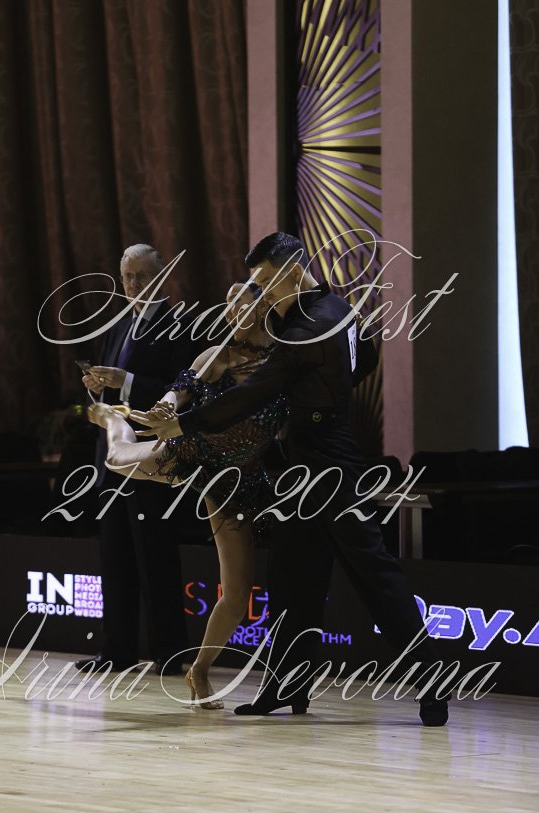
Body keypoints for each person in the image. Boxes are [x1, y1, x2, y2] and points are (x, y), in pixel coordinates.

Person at [132, 233, 450, 726]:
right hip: (299, 460)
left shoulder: (311, 324)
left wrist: (184, 424)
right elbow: (365, 358)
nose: (263, 292)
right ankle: (287, 686)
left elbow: (257, 391)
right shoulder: (333, 310)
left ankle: (433, 682)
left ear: (295, 269)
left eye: (266, 281)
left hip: (331, 462)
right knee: (292, 577)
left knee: (374, 574)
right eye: (257, 282)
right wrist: (323, 390)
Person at [88, 281, 288, 708]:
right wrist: (165, 405)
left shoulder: (282, 360)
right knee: (117, 458)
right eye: (228, 305)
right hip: (194, 455)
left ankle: (199, 670)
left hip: (239, 480)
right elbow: (179, 389)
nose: (232, 311)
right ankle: (113, 420)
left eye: (241, 303)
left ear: (263, 306)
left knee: (237, 595)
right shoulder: (216, 356)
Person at [74, 243, 194, 676]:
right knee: (115, 558)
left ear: (161, 277)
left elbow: (182, 390)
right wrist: (98, 385)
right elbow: (111, 388)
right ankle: (116, 650)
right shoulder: (120, 323)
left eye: (142, 275)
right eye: (127, 276)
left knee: (155, 556)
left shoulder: (179, 325)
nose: (133, 284)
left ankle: (170, 652)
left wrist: (126, 381)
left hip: (151, 459)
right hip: (112, 457)